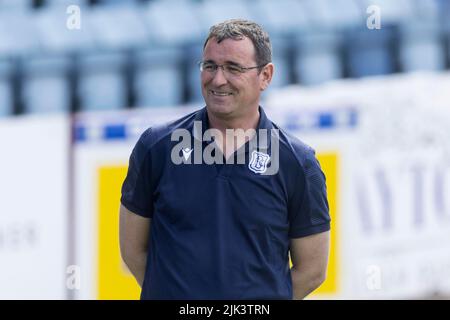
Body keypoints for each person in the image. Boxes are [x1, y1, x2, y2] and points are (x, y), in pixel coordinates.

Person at [119, 19, 330, 300]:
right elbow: (133, 251)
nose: (218, 79)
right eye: (210, 66)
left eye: (233, 68)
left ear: (265, 76)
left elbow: (313, 269)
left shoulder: (298, 163)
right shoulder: (156, 148)